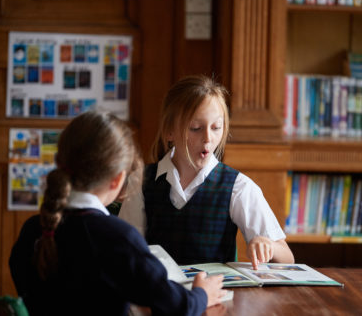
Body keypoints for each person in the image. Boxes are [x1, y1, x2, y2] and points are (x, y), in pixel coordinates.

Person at [9, 111, 226, 316]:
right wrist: (201, 294)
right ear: (117, 179)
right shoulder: (116, 238)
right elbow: (177, 306)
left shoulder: (33, 229)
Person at [119, 75, 294, 269]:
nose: (208, 138)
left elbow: (287, 258)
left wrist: (268, 245)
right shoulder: (142, 180)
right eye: (195, 128)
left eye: (216, 127)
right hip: (159, 294)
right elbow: (125, 249)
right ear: (169, 131)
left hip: (215, 295)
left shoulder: (238, 186)